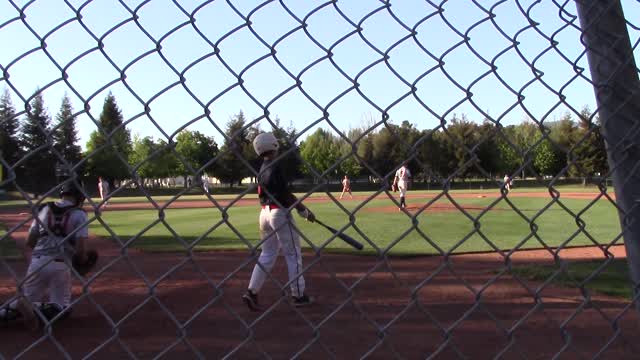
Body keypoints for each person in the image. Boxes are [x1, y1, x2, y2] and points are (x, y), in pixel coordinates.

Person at [0, 181, 89, 329]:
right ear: (79, 196)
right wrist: (83, 261)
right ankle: (36, 307)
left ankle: (9, 310)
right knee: (62, 309)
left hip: (37, 262)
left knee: (23, 300)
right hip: (61, 264)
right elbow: (80, 251)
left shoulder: (44, 209)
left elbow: (30, 241)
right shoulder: (79, 214)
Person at [242, 132, 316, 311]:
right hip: (279, 214)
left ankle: (252, 291)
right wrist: (305, 211)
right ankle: (298, 295)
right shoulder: (275, 166)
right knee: (293, 254)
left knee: (266, 254)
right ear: (273, 145)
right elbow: (286, 195)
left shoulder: (261, 169)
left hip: (264, 214)